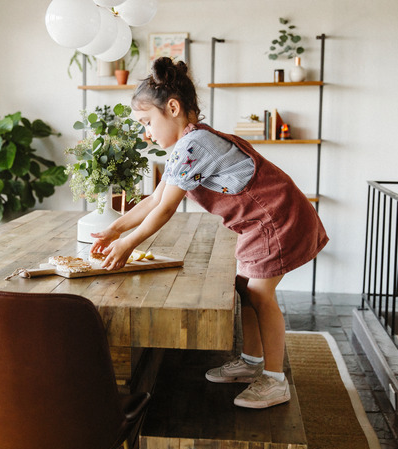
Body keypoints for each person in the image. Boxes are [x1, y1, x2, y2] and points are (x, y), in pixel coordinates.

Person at [90, 57, 329, 409]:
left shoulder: (195, 146)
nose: (146, 134)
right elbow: (154, 199)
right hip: (259, 223)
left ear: (173, 108)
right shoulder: (186, 146)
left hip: (276, 220)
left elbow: (166, 209)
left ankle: (276, 381)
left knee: (260, 295)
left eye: (147, 122)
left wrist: (128, 243)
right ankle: (252, 362)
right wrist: (113, 229)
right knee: (245, 289)